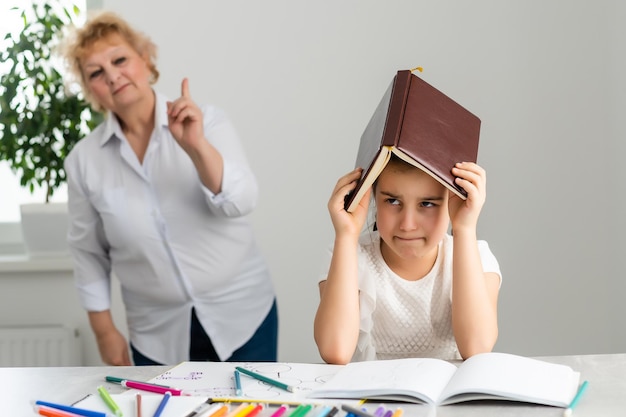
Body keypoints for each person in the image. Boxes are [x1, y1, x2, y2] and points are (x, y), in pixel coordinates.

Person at [60, 11, 277, 366]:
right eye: (96, 73)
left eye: (120, 60)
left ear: (145, 60)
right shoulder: (84, 162)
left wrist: (197, 147)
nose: (113, 76)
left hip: (243, 316)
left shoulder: (207, 121)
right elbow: (88, 253)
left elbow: (241, 201)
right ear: (90, 91)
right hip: (156, 334)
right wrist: (104, 332)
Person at [314, 155, 501, 364]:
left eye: (427, 203)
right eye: (393, 201)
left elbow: (477, 348)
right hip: (372, 395)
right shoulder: (349, 254)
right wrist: (346, 235)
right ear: (371, 198)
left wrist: (464, 228)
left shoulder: (477, 256)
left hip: (446, 396)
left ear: (451, 200)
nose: (408, 224)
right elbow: (335, 350)